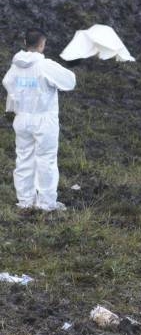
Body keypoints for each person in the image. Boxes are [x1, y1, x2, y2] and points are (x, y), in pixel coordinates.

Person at [3, 29, 76, 211]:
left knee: (24, 158)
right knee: (46, 161)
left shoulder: (16, 65)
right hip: (43, 119)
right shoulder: (45, 65)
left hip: (22, 118)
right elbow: (70, 82)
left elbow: (8, 82)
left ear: (25, 42)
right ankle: (46, 203)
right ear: (42, 44)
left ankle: (26, 201)